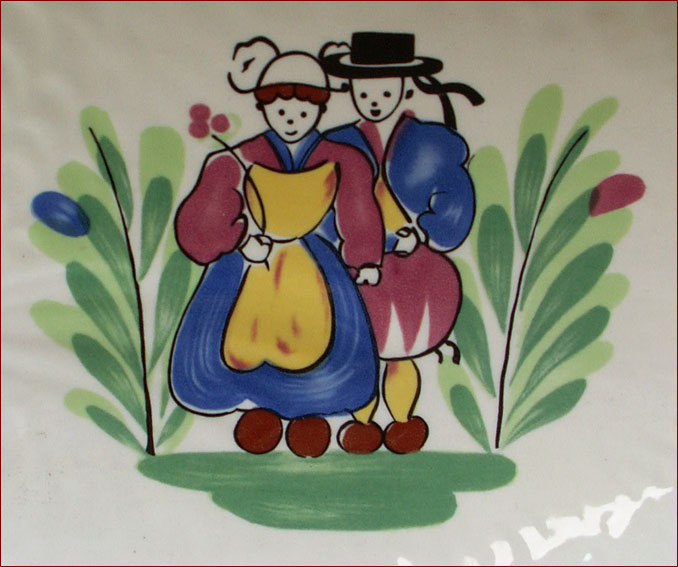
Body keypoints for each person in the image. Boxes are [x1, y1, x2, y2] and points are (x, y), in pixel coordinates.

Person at [170, 38, 384, 458]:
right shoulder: (240, 156)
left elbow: (358, 207)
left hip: (312, 264)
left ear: (319, 111)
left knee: (323, 339)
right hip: (252, 259)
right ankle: (260, 416)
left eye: (303, 112)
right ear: (264, 109)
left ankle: (310, 416)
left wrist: (365, 257)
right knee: (242, 338)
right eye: (281, 112)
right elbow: (202, 215)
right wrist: (237, 241)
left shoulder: (341, 158)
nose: (292, 120)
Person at [319, 32, 479, 454]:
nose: (375, 102)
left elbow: (455, 196)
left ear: (405, 90)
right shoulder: (336, 142)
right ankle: (361, 427)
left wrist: (423, 232)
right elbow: (318, 200)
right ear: (350, 90)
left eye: (386, 92)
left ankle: (404, 424)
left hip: (411, 264)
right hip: (354, 262)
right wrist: (333, 246)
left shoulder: (429, 140)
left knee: (401, 348)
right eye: (365, 92)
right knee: (360, 349)